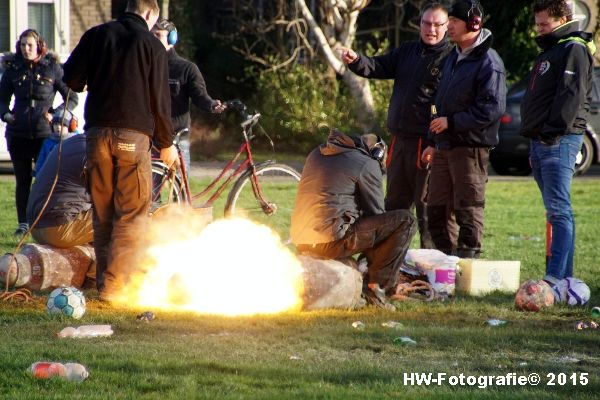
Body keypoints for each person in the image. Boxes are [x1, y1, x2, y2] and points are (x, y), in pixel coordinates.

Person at [63, 0, 177, 301]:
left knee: (102, 214)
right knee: (130, 214)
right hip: (133, 137)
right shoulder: (152, 46)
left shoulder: (96, 34)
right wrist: (167, 144)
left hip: (97, 135)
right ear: (150, 13)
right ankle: (117, 288)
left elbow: (71, 78)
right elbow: (161, 102)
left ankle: (105, 283)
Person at [341, 3, 452, 249]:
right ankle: (388, 263)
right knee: (393, 207)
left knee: (425, 208)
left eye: (437, 24)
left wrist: (434, 143)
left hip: (426, 143)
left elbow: (446, 107)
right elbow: (379, 66)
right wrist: (357, 61)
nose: (431, 29)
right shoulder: (408, 51)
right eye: (426, 23)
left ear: (447, 27)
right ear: (419, 24)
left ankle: (430, 267)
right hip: (399, 141)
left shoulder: (451, 59)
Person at [291, 129, 417, 308]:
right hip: (331, 240)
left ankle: (367, 278)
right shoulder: (367, 163)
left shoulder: (315, 154)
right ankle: (376, 290)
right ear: (378, 152)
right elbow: (377, 214)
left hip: (302, 240)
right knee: (405, 221)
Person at [519, 0, 595, 298]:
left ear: (563, 19)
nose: (538, 28)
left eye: (544, 24)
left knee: (560, 210)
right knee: (554, 211)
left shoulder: (573, 48)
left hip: (558, 141)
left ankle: (557, 277)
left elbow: (570, 97)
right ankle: (560, 275)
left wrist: (550, 134)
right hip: (540, 141)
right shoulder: (551, 49)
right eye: (537, 23)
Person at [423, 0, 506, 258]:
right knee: (435, 209)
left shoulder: (489, 63)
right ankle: (445, 266)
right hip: (444, 145)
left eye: (454, 22)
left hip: (470, 148)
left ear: (473, 24)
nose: (449, 26)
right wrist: (432, 139)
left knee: (467, 208)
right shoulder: (452, 57)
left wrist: (453, 122)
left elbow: (492, 109)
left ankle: (467, 265)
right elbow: (437, 102)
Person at [0, 29, 78, 237]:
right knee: (22, 180)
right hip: (18, 133)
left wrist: (57, 114)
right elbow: (2, 99)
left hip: (45, 135)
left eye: (30, 45)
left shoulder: (52, 68)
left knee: (44, 179)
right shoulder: (13, 69)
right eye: (23, 45)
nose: (26, 49)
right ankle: (23, 223)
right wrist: (6, 115)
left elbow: (71, 97)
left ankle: (44, 221)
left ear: (40, 46)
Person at [151, 18, 226, 174]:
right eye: (151, 35)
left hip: (178, 139)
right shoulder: (144, 66)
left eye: (158, 35)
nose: (153, 39)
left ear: (172, 38)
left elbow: (200, 96)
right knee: (150, 194)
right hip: (151, 139)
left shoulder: (186, 69)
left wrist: (212, 104)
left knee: (182, 191)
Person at [27, 134, 92, 248]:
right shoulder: (96, 151)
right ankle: (109, 265)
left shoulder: (69, 142)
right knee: (128, 218)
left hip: (35, 226)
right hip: (59, 227)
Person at [34, 105, 81, 176]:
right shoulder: (48, 141)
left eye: (63, 125)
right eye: (56, 124)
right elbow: (41, 160)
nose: (58, 127)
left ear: (71, 127)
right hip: (50, 177)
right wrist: (37, 173)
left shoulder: (76, 142)